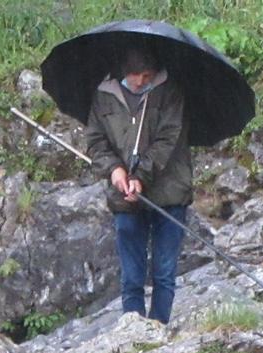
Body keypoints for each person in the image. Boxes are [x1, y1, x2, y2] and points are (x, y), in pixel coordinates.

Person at [82, 45, 192, 324]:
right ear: (123, 71)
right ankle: (133, 332)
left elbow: (168, 139)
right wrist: (115, 170)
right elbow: (96, 142)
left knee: (164, 273)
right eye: (134, 75)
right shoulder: (103, 96)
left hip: (170, 192)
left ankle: (158, 328)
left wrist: (140, 177)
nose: (141, 81)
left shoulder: (171, 92)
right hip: (124, 198)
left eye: (146, 75)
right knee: (131, 276)